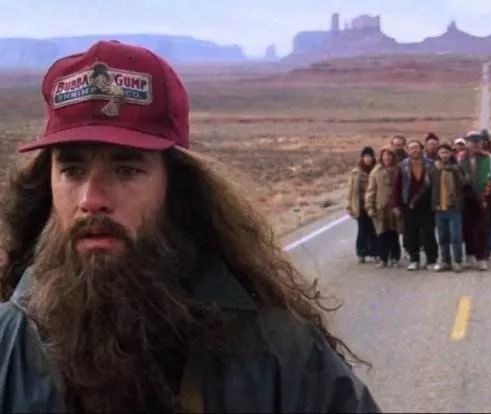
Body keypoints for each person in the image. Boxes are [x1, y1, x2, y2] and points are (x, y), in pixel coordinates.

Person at [0, 41, 379, 413]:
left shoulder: (279, 358)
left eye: (126, 170)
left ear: (177, 186)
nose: (91, 199)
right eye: (72, 170)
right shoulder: (7, 349)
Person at [460, 133, 491, 271]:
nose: (475, 144)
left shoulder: (488, 158)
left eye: (477, 142)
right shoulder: (460, 157)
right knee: (467, 228)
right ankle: (469, 255)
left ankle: (481, 258)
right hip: (466, 197)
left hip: (483, 197)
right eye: (472, 142)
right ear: (467, 143)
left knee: (482, 228)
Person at [392, 140, 438, 271]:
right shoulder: (402, 166)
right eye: (412, 148)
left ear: (421, 149)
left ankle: (431, 260)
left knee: (429, 233)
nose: (415, 150)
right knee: (410, 234)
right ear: (408, 150)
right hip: (408, 205)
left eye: (417, 147)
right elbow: (397, 186)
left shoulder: (431, 164)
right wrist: (396, 205)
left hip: (427, 205)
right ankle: (414, 259)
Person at [429, 144, 467, 272]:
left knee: (456, 236)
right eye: (441, 152)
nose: (444, 155)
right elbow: (428, 184)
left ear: (451, 153)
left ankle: (457, 261)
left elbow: (464, 182)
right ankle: (446, 261)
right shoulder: (433, 168)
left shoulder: (457, 167)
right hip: (439, 207)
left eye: (446, 152)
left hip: (454, 207)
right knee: (442, 236)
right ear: (438, 154)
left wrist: (451, 170)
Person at [366, 147, 402, 268]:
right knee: (382, 234)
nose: (387, 158)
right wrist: (370, 207)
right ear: (381, 157)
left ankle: (395, 258)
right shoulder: (376, 171)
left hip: (395, 208)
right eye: (385, 155)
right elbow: (371, 191)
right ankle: (383, 258)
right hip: (380, 208)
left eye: (390, 155)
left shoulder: (399, 169)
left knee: (394, 234)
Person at [347, 146, 378, 263]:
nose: (368, 159)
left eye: (370, 156)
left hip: (373, 204)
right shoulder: (356, 172)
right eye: (366, 157)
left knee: (373, 229)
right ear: (362, 158)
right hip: (360, 206)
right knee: (362, 229)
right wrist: (349, 206)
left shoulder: (376, 170)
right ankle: (361, 252)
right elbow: (350, 190)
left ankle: (374, 252)